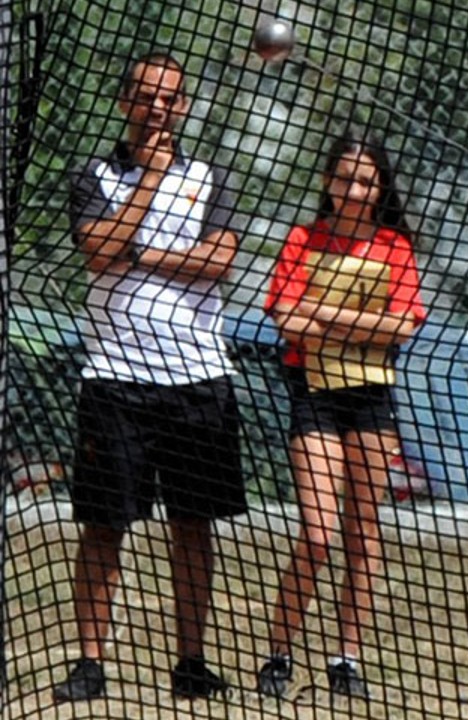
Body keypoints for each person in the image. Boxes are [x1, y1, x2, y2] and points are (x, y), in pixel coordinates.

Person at [53, 52, 245, 701]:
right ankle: (89, 662)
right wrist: (148, 187)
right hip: (115, 378)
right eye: (145, 97)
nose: (157, 108)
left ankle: (191, 662)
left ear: (184, 106)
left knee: (194, 523)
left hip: (198, 377)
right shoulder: (93, 174)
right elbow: (96, 252)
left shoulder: (209, 176)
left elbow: (220, 262)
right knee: (105, 524)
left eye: (169, 98)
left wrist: (141, 251)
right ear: (123, 101)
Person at [256, 134, 426, 699]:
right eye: (343, 178)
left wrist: (325, 312)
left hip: (373, 398)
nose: (353, 190)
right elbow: (287, 321)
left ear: (380, 189)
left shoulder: (395, 246)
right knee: (318, 531)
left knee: (364, 530)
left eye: (365, 181)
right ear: (327, 182)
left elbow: (402, 327)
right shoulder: (303, 239)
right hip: (314, 392)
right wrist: (360, 321)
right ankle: (278, 651)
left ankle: (346, 656)